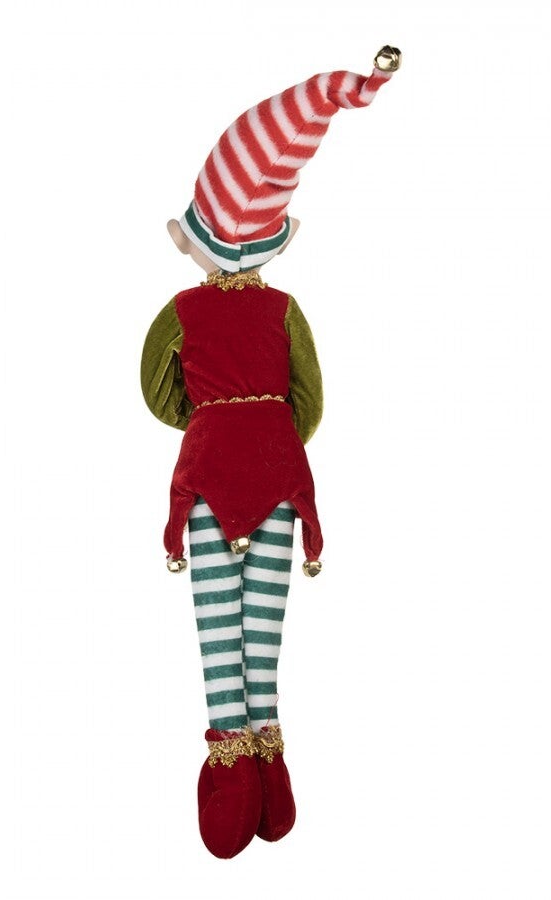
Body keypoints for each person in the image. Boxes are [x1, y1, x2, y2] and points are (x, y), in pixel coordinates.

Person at [141, 46, 401, 859]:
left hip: (208, 484)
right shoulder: (286, 310)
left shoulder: (180, 310)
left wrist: (207, 423)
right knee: (264, 626)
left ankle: (232, 766)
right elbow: (310, 400)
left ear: (193, 239)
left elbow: (156, 392)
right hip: (282, 483)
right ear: (275, 242)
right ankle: (271, 763)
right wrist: (273, 438)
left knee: (218, 629)